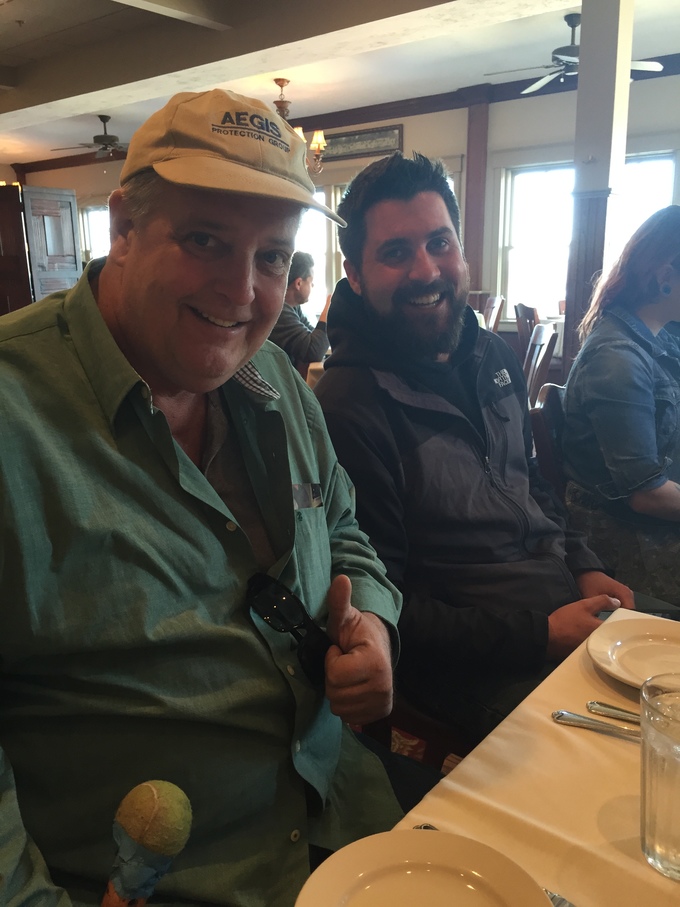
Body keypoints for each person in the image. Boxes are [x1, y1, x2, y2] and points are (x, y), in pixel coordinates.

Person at [0, 89, 409, 907]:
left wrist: (371, 620)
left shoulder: (279, 380)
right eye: (205, 241)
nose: (243, 291)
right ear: (123, 226)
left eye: (272, 258)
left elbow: (341, 526)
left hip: (347, 821)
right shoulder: (16, 411)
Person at [314, 151, 633, 747]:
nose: (426, 270)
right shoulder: (349, 404)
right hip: (468, 659)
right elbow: (385, 601)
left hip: (561, 600)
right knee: (619, 756)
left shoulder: (492, 356)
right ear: (354, 274)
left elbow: (533, 486)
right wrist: (541, 635)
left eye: (440, 243)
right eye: (395, 253)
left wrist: (584, 563)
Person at [562, 205, 680, 604]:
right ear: (666, 276)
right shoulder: (618, 358)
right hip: (628, 539)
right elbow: (646, 494)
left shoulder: (660, 338)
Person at [269, 251, 331, 374]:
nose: (313, 285)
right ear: (298, 283)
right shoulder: (280, 311)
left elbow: (312, 336)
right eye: (311, 282)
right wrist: (328, 311)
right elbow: (313, 352)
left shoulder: (293, 308)